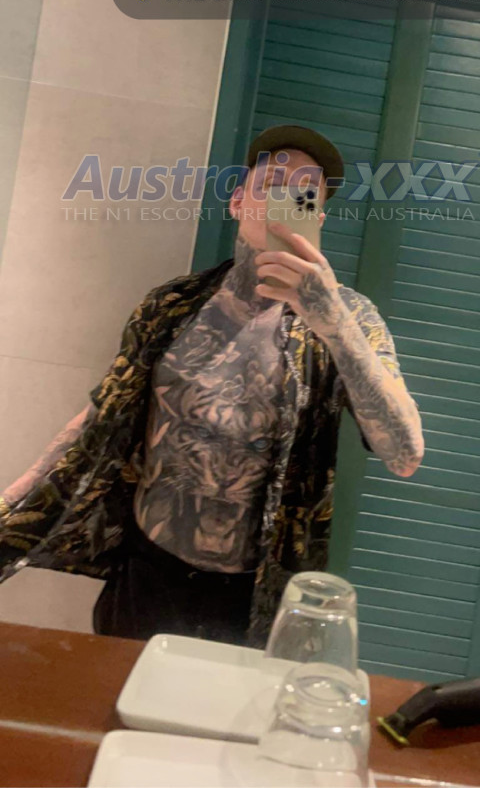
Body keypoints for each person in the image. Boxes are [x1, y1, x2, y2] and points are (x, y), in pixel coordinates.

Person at [0, 125, 424, 647]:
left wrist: (332, 320)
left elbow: (404, 454)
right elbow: (101, 416)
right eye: (271, 184)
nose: (284, 201)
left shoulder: (350, 320)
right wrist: (12, 500)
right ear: (237, 200)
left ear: (317, 218)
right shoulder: (171, 307)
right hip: (146, 578)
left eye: (304, 193)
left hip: (253, 600)